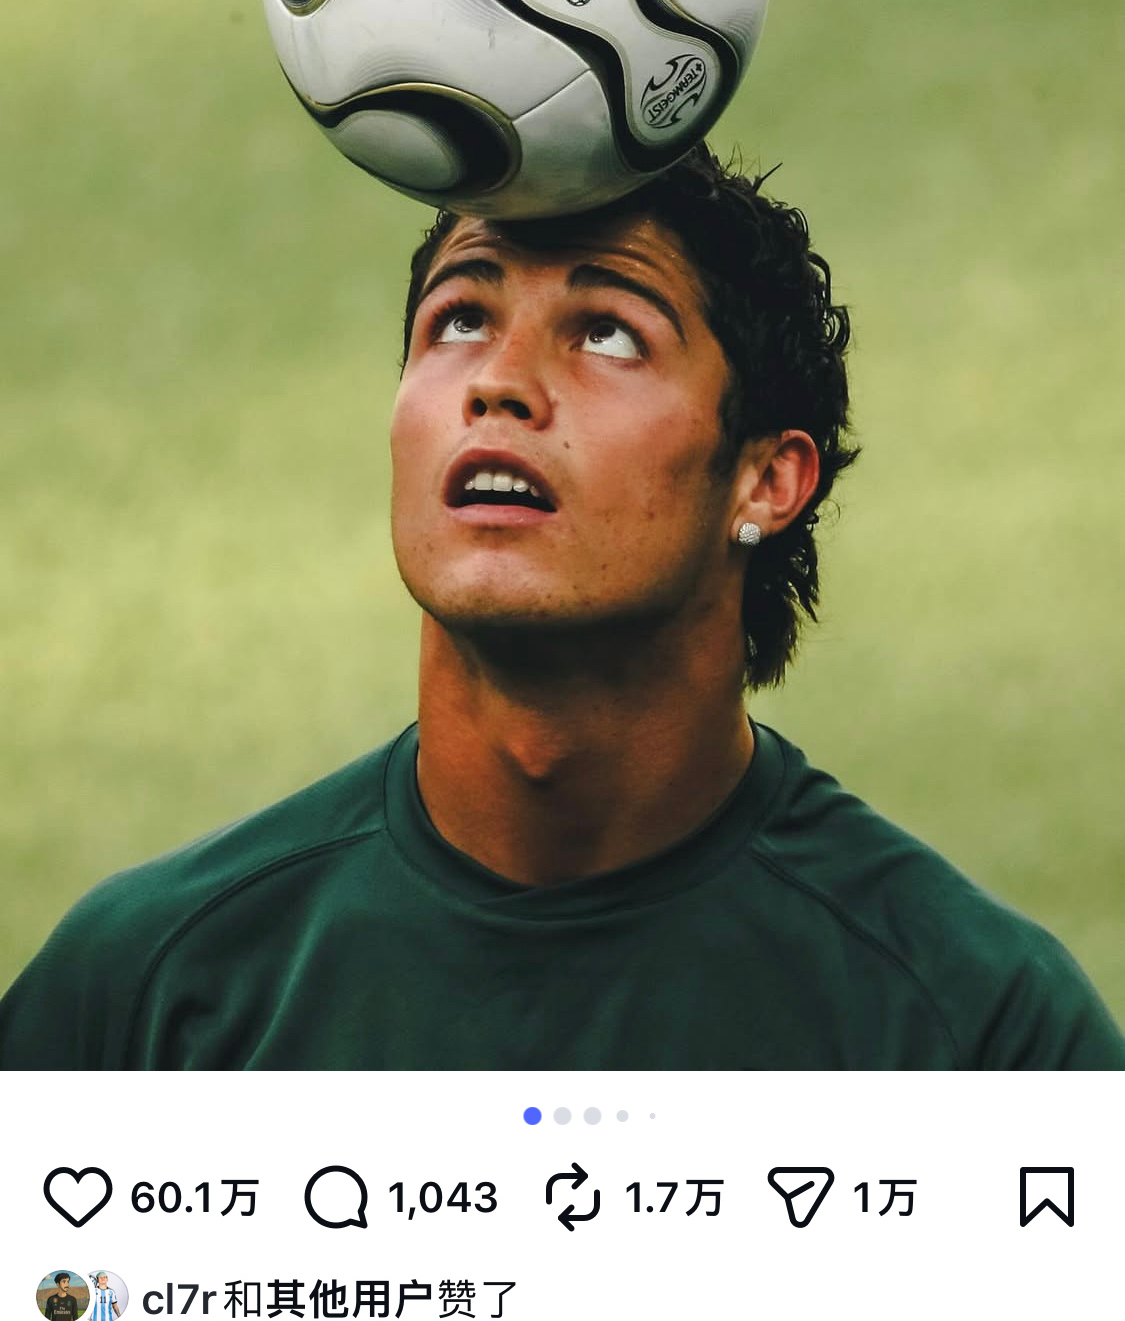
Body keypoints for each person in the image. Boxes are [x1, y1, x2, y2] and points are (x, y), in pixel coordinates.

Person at [0, 150, 1121, 1069]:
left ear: (765, 480)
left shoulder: (975, 1039)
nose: (498, 381)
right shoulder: (143, 1001)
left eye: (608, 332)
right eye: (458, 319)